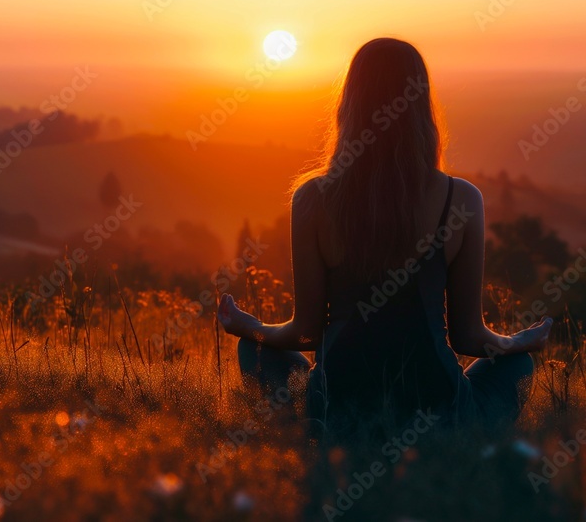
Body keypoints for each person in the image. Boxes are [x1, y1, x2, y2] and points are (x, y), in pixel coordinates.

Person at [218, 37, 551, 439]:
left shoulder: (312, 199)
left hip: (337, 410)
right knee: (518, 365)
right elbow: (469, 338)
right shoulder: (460, 199)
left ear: (349, 104)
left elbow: (305, 332)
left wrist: (251, 327)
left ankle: (310, 431)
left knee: (253, 350)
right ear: (421, 105)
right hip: (440, 414)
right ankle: (455, 440)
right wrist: (520, 341)